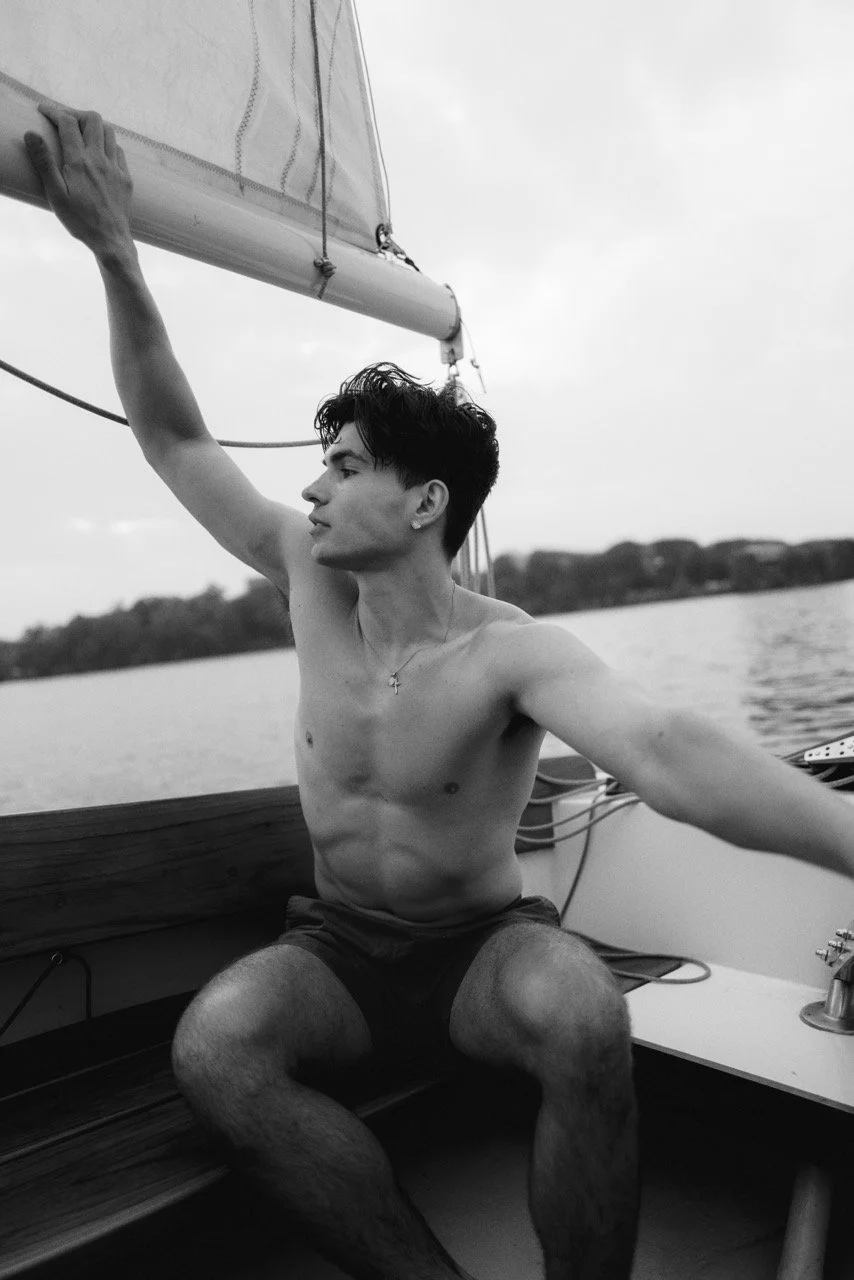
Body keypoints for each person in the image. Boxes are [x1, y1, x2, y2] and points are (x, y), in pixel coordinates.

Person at [24, 105, 854, 1280]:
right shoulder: (304, 574)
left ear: (423, 504)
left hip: (480, 953)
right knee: (215, 1045)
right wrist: (114, 249)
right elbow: (171, 435)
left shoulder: (507, 651)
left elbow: (664, 748)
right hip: (338, 953)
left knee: (584, 1015)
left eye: (344, 465)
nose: (310, 490)